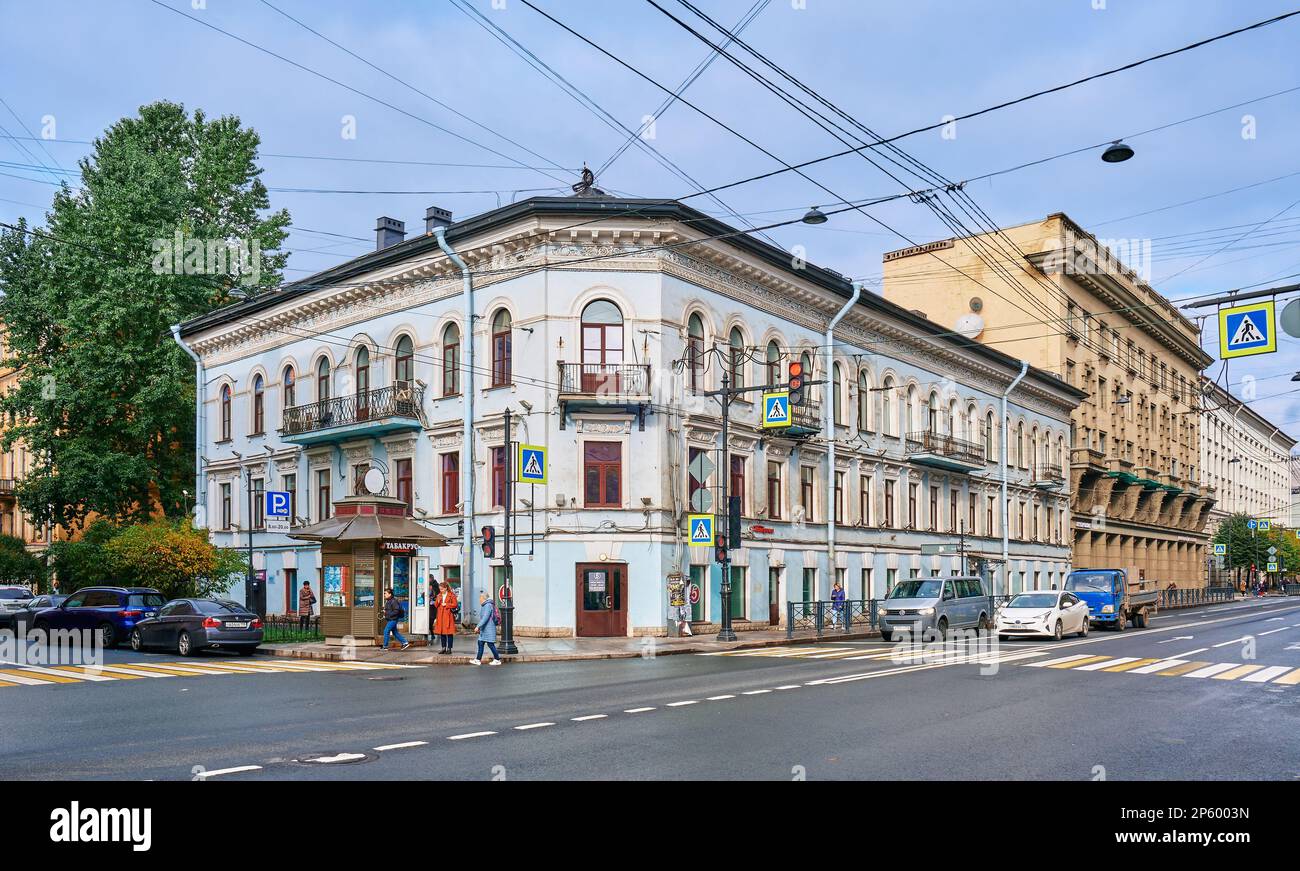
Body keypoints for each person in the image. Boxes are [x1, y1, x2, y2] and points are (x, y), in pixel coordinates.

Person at [472, 590, 503, 665]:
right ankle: (478, 660)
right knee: (480, 642)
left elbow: (485, 618)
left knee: (490, 644)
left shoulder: (488, 605)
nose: (479, 600)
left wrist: (478, 626)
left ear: (483, 598)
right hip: (485, 629)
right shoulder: (485, 605)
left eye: (480, 598)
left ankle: (497, 659)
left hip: (489, 629)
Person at [434, 579, 459, 654]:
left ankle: (449, 648)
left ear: (446, 588)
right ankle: (443, 648)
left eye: (441, 589)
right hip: (440, 616)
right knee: (442, 632)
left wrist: (447, 605)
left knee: (449, 633)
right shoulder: (439, 595)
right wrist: (438, 601)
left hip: (448, 616)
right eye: (440, 589)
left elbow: (455, 604)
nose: (440, 590)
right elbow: (436, 605)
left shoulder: (451, 595)